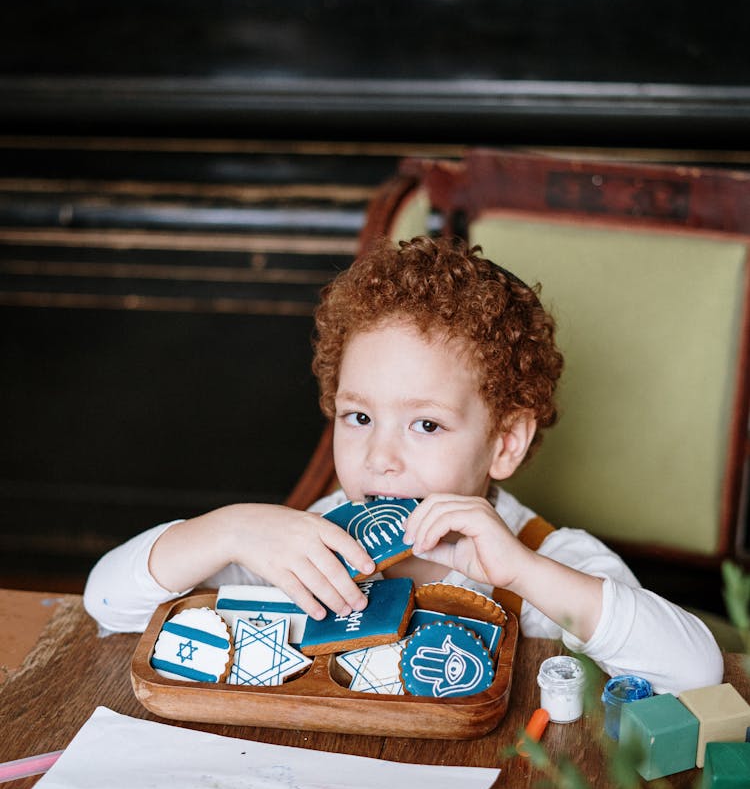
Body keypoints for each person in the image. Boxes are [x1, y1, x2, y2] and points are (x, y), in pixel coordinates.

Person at [84, 235, 722, 694]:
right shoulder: (297, 546)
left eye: (425, 424)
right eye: (358, 417)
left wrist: (526, 573)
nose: (379, 458)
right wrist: (226, 529)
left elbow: (696, 671)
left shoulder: (542, 558)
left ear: (505, 443)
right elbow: (106, 603)